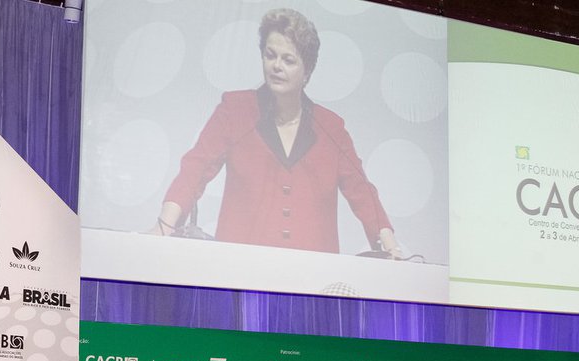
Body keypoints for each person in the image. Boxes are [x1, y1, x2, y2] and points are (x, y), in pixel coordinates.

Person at [151, 8, 401, 257]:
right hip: (239, 265)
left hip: (313, 272)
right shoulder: (234, 110)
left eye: (288, 60)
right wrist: (164, 227)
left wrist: (391, 249)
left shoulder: (332, 127)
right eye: (270, 56)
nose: (276, 66)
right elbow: (195, 169)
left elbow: (362, 192)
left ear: (308, 71)